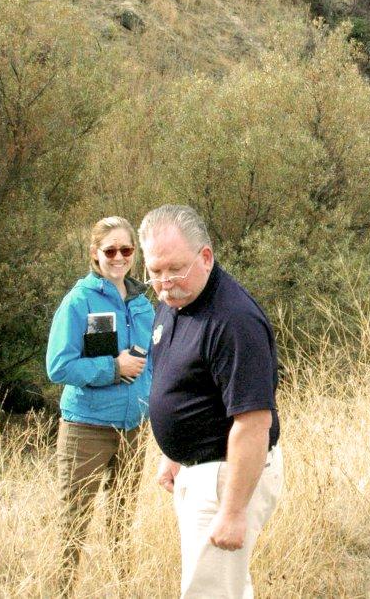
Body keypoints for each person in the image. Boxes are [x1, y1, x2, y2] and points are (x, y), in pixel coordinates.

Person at [139, 205, 283, 599]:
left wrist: (234, 512)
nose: (165, 282)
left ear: (206, 256)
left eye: (175, 269)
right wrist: (174, 453)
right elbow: (185, 382)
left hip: (227, 475)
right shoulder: (174, 305)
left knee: (211, 593)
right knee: (222, 588)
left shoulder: (234, 321)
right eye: (154, 272)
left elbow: (254, 423)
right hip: (198, 468)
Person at [46, 216, 155, 594]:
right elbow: (58, 366)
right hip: (87, 428)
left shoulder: (142, 303)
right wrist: (112, 367)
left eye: (126, 250)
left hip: (133, 429)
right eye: (110, 250)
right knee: (72, 525)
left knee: (122, 521)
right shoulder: (79, 301)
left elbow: (153, 361)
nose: (119, 257)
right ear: (95, 254)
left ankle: (126, 588)